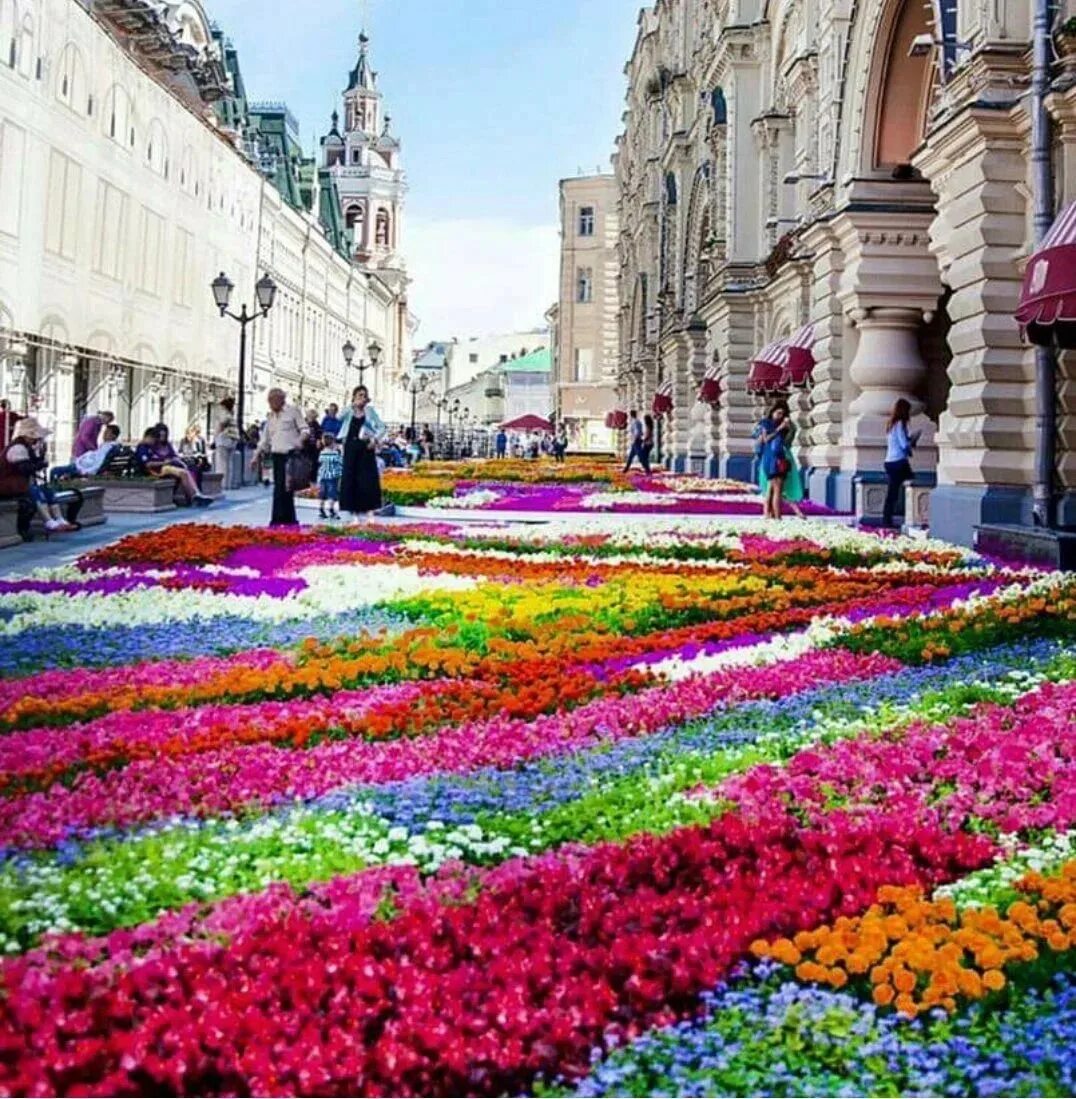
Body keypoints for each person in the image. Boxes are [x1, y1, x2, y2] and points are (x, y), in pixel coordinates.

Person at [0, 418, 77, 532]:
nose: (37, 439)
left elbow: (32, 463)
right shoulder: (17, 448)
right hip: (8, 484)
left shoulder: (26, 447)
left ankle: (60, 519)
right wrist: (40, 464)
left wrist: (40, 457)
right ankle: (49, 521)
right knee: (34, 492)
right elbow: (25, 468)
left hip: (18, 483)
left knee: (47, 490)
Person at [254, 388, 307, 526]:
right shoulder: (270, 417)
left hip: (290, 455)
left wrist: (300, 440)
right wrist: (255, 456)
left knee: (285, 488)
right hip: (276, 456)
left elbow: (304, 429)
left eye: (272, 401)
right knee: (280, 487)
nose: (270, 404)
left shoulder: (293, 411)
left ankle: (279, 520)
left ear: (280, 399)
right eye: (269, 401)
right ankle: (288, 519)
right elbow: (264, 440)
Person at [337, 384, 386, 517]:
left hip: (366, 447)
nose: (362, 398)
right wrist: (352, 406)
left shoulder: (370, 411)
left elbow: (382, 427)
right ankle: (351, 508)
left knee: (367, 477)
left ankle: (369, 508)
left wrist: (375, 440)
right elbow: (338, 418)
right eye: (360, 395)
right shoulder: (349, 411)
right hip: (351, 447)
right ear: (354, 397)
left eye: (365, 396)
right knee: (350, 475)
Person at [136, 426, 212, 506]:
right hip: (156, 470)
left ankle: (196, 494)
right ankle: (194, 496)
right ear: (148, 437)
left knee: (187, 471)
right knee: (181, 472)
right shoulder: (142, 447)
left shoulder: (150, 446)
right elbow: (148, 464)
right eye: (153, 439)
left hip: (162, 468)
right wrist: (163, 462)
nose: (154, 442)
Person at [756, 401, 805, 519]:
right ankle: (776, 518)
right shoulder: (767, 424)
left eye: (783, 414)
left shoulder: (783, 425)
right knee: (775, 490)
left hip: (780, 458)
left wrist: (789, 428)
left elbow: (788, 441)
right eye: (778, 413)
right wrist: (780, 428)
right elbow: (765, 440)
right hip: (772, 460)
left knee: (773, 490)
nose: (780, 416)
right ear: (772, 412)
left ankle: (769, 515)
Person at [883, 398, 921, 529]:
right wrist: (912, 443)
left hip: (890, 461)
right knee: (914, 485)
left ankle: (889, 518)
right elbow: (903, 444)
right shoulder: (900, 424)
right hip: (898, 462)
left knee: (893, 491)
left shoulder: (891, 424)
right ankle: (913, 515)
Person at [49, 424, 121, 482]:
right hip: (81, 465)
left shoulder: (108, 447)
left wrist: (84, 471)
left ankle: (52, 493)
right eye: (104, 432)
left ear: (114, 436)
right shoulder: (107, 446)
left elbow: (98, 463)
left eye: (107, 432)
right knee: (61, 472)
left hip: (82, 468)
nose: (104, 434)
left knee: (54, 471)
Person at [213, 397, 240, 487]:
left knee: (221, 463)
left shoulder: (223, 412)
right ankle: (229, 484)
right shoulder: (231, 414)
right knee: (230, 463)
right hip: (233, 438)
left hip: (224, 439)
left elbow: (221, 423)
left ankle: (221, 485)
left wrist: (215, 437)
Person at [317, 433, 343, 520]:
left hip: (322, 476)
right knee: (332, 494)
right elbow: (341, 463)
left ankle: (321, 510)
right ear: (332, 443)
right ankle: (331, 510)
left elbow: (320, 462)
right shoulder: (335, 454)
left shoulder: (322, 453)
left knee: (322, 494)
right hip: (332, 477)